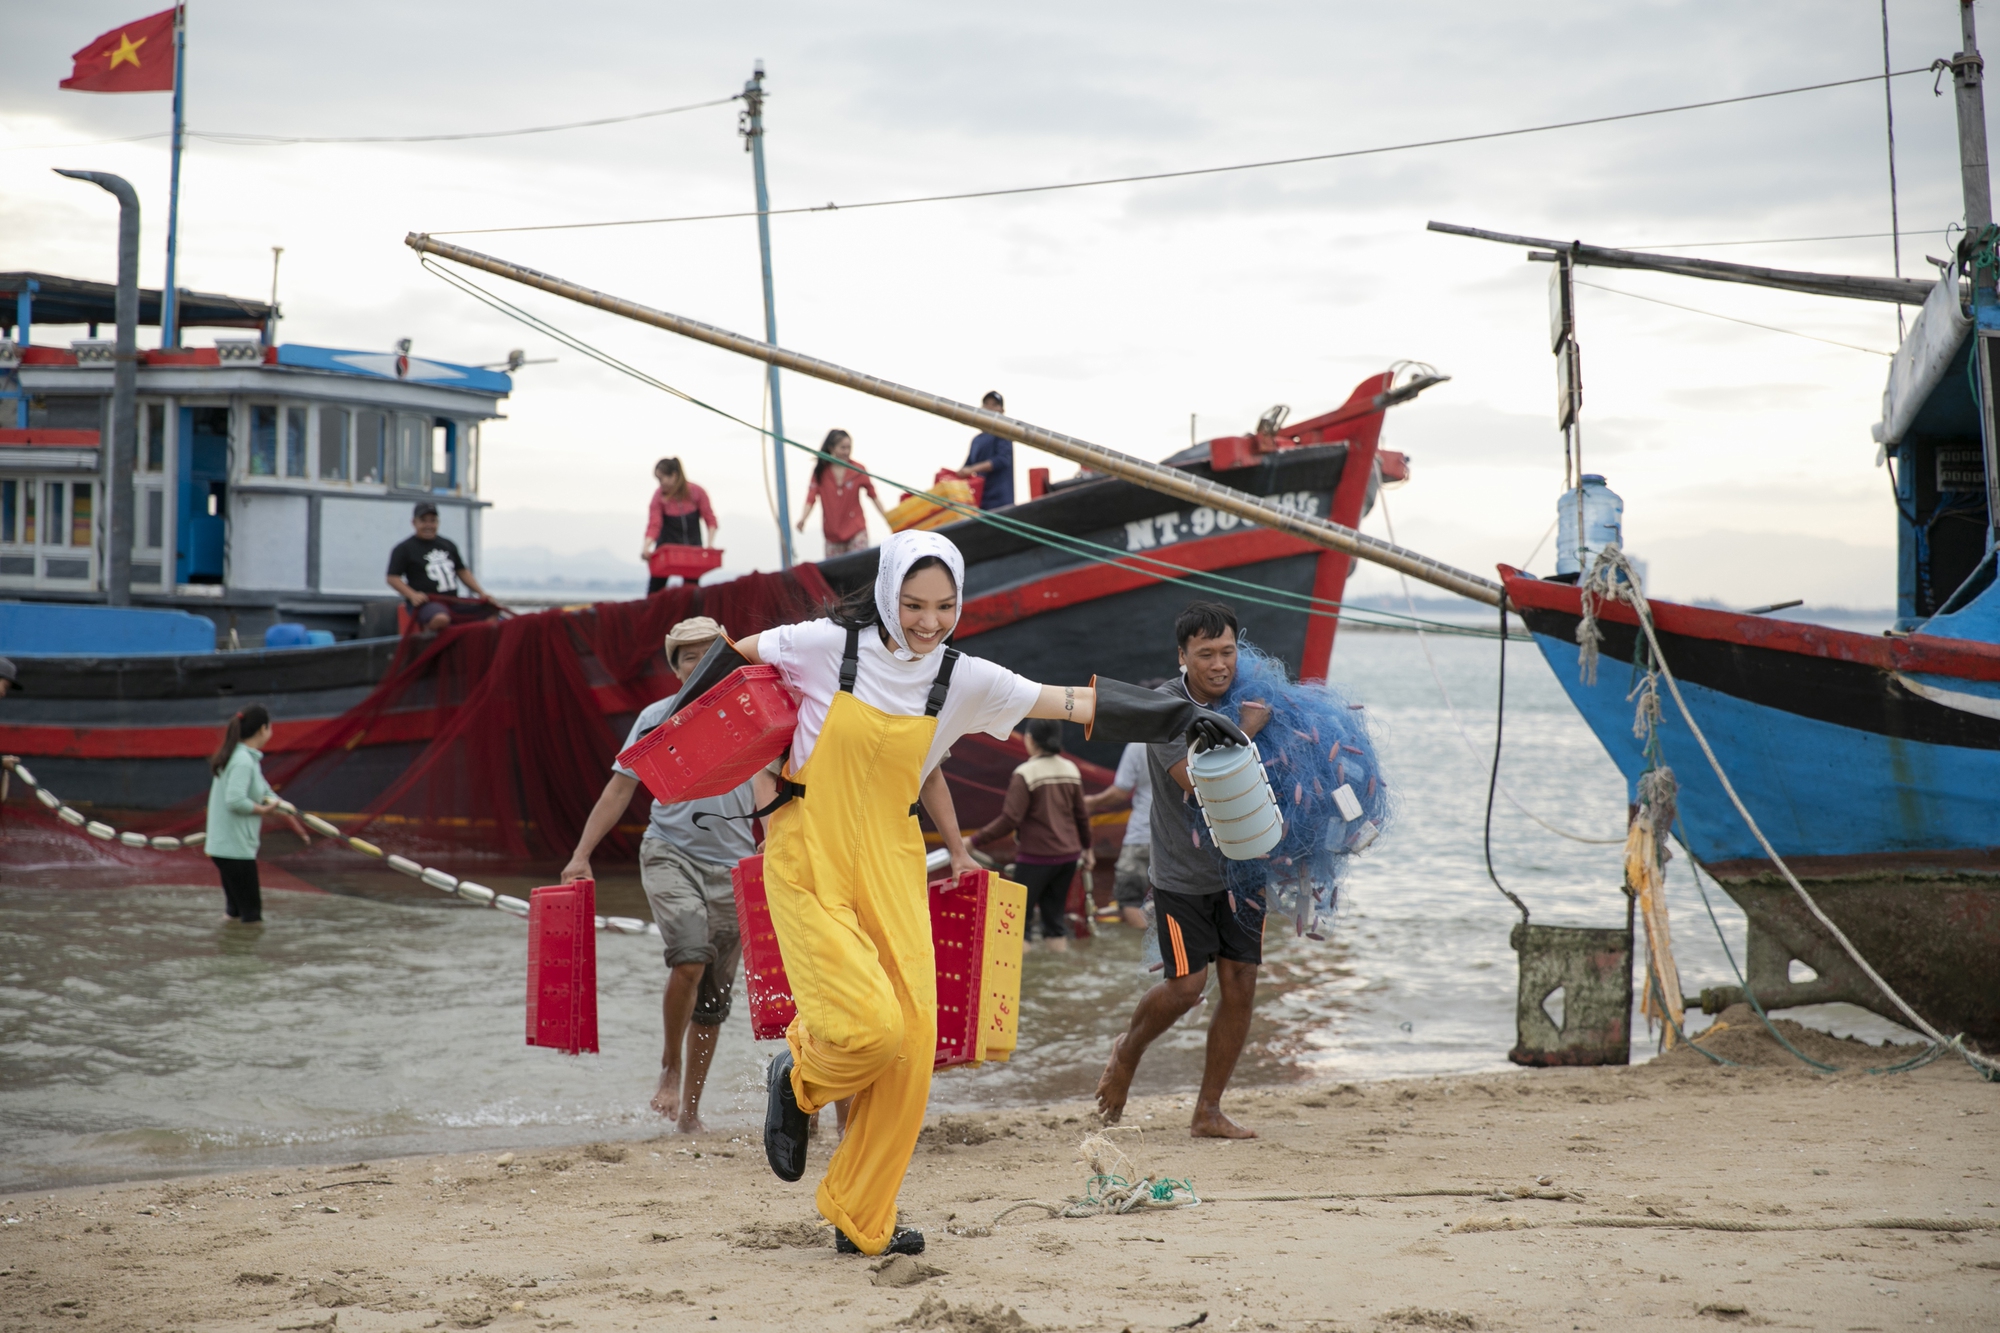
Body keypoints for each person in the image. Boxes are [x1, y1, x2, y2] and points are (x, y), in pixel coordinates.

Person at [711, 529, 1241, 1257]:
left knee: (913, 1042)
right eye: (914, 602)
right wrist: (762, 788)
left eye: (945, 605)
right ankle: (801, 1076)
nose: (929, 621)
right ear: (889, 590)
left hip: (895, 855)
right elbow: (730, 670)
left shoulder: (962, 677)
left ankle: (862, 1212)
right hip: (808, 849)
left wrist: (1181, 717)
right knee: (869, 1026)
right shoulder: (824, 643)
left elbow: (1070, 701)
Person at [560, 616, 775, 1133]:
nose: (699, 663)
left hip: (732, 866)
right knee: (690, 957)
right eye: (687, 656)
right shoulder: (658, 717)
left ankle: (691, 1113)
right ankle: (668, 1067)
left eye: (710, 653)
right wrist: (580, 855)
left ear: (731, 659)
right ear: (675, 669)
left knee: (716, 998)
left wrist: (779, 855)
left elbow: (770, 795)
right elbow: (619, 789)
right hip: (669, 851)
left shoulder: (753, 714)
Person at [1095, 601, 1272, 1141]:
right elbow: (1197, 781)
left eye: (1227, 652)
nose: (1220, 665)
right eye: (1206, 654)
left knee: (1239, 984)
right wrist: (1247, 729)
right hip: (1181, 876)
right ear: (1183, 656)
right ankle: (1127, 1052)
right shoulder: (1165, 708)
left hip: (1243, 873)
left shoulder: (1252, 689)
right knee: (1186, 986)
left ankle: (1208, 1111)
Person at [969, 718, 1093, 951]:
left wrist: (974, 841)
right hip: (1068, 858)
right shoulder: (1070, 769)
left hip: (1036, 858)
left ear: (1031, 740)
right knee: (1054, 922)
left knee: (1018, 924)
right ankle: (1058, 978)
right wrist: (1087, 849)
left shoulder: (1025, 773)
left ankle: (1026, 983)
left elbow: (1010, 819)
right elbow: (1081, 816)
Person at [206, 705, 281, 925]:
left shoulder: (243, 757)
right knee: (252, 919)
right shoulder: (243, 761)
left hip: (225, 848)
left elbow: (265, 790)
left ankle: (228, 952)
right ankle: (246, 958)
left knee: (234, 913)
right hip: (235, 850)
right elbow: (235, 800)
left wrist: (284, 808)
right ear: (262, 729)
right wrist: (264, 810)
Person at [386, 501, 500, 634]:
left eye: (432, 521)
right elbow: (392, 577)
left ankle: (478, 646)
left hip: (452, 601)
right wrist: (412, 595)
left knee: (490, 610)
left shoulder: (448, 545)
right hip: (426, 604)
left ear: (438, 522)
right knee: (441, 618)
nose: (429, 525)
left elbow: (462, 571)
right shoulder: (404, 549)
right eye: (423, 521)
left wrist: (481, 593)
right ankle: (429, 645)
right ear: (414, 522)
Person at [1085, 739, 1156, 930]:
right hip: (1181, 837)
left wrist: (1091, 802)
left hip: (1142, 835)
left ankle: (1143, 952)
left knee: (1129, 900)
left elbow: (1119, 792)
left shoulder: (1138, 745)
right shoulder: (1185, 738)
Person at [795, 430, 888, 558]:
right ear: (831, 448)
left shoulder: (858, 470)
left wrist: (887, 517)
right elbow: (811, 498)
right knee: (836, 574)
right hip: (833, 535)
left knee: (859, 568)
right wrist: (803, 519)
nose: (846, 452)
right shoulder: (821, 472)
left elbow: (873, 496)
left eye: (849, 448)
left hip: (856, 530)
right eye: (842, 448)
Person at [642, 457, 719, 593]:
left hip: (691, 552)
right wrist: (646, 547)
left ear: (674, 475)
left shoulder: (697, 492)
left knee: (692, 593)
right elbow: (654, 524)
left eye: (662, 479)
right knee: (655, 590)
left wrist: (710, 544)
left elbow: (710, 519)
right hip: (667, 551)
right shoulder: (659, 497)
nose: (660, 484)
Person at [959, 391, 1014, 510]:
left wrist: (973, 469)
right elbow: (966, 467)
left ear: (1001, 411)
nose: (990, 408)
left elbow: (1002, 460)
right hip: (979, 502)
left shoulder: (1003, 434)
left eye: (994, 405)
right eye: (986, 404)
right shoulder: (977, 440)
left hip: (1000, 503)